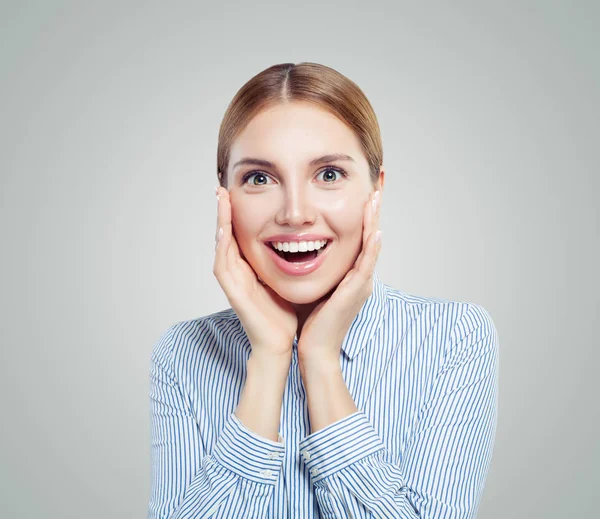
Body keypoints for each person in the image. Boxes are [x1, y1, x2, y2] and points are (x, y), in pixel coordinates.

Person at [147, 62, 499, 519]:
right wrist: (270, 359)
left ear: (376, 189)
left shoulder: (454, 338)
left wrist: (321, 362)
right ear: (225, 199)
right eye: (259, 179)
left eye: (329, 174)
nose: (295, 214)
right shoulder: (183, 354)